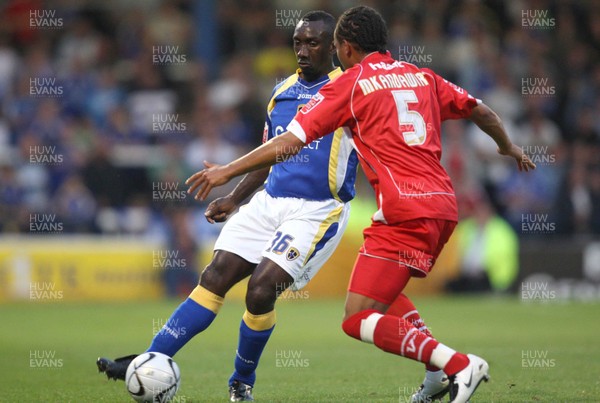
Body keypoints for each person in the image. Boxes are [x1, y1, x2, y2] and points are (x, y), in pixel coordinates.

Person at [186, 6, 536, 403]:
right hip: (442, 208)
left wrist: (227, 171)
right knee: (377, 294)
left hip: (403, 212)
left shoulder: (350, 85)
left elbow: (288, 143)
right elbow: (480, 110)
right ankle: (437, 371)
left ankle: (457, 364)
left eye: (335, 47)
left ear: (348, 48)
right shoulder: (422, 76)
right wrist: (508, 147)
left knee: (356, 319)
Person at [97, 11, 359, 402]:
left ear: (335, 48)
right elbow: (269, 154)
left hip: (317, 209)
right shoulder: (282, 91)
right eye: (298, 43)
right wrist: (236, 198)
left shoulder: (352, 90)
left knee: (260, 290)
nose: (303, 51)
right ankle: (148, 360)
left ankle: (241, 382)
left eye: (313, 43)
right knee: (216, 274)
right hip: (270, 200)